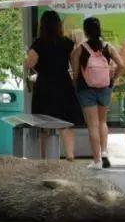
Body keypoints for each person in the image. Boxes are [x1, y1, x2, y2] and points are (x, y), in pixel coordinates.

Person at [24, 10, 83, 162]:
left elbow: (29, 63)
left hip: (44, 85)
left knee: (43, 123)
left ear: (42, 25)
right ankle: (69, 155)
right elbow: (74, 65)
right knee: (66, 122)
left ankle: (44, 158)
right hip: (64, 84)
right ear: (58, 25)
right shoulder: (67, 43)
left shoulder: (38, 43)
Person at [71, 17, 125, 170]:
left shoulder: (80, 49)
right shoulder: (108, 47)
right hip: (104, 88)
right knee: (102, 122)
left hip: (86, 89)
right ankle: (104, 151)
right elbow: (121, 65)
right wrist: (112, 80)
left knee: (92, 125)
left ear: (85, 31)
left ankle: (97, 161)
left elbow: (75, 74)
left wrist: (76, 84)